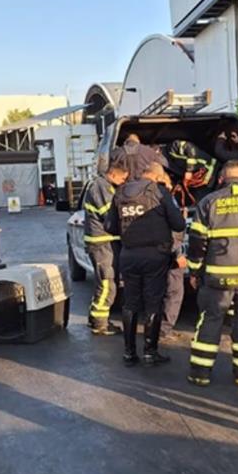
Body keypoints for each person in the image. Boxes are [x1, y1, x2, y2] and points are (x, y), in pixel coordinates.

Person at [185, 160, 238, 387]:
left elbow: (197, 241)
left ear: (221, 179)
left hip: (217, 276)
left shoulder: (209, 202)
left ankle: (200, 373)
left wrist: (194, 270)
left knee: (211, 319)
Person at [104, 155, 186, 366]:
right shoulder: (159, 192)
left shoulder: (121, 192)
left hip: (128, 255)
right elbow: (178, 224)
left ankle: (129, 353)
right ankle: (150, 352)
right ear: (157, 176)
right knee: (153, 304)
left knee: (130, 304)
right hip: (155, 256)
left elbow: (110, 226)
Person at [81, 153, 129, 335]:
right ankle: (100, 324)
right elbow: (109, 215)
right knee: (107, 283)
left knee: (108, 281)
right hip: (101, 244)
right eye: (123, 178)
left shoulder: (105, 186)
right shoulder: (101, 187)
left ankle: (96, 318)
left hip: (106, 243)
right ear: (113, 175)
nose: (124, 182)